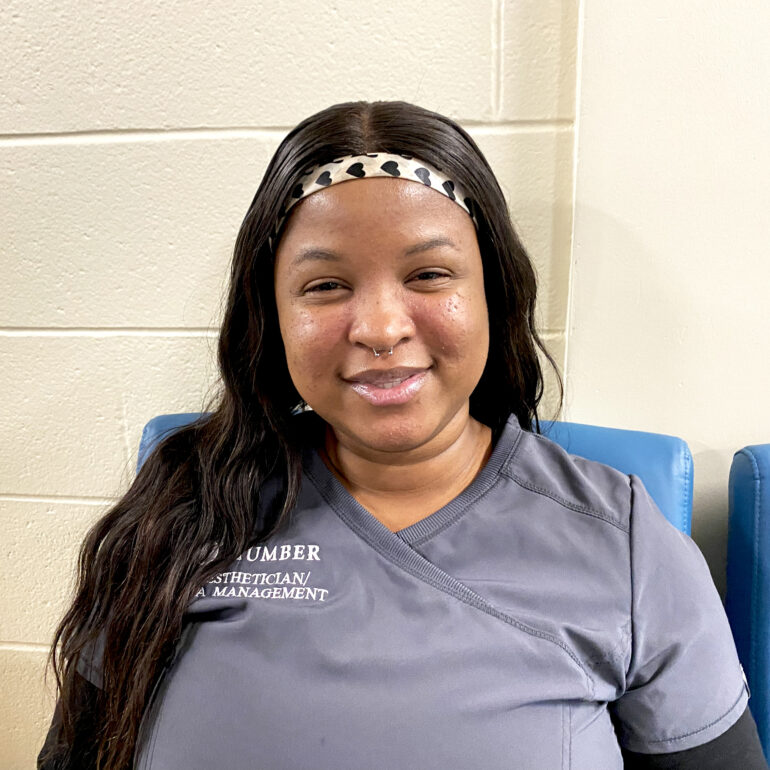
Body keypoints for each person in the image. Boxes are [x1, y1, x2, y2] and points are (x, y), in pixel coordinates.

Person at [38, 100, 766, 769]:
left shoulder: (628, 545)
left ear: (493, 295)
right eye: (325, 286)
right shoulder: (179, 510)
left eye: (428, 274)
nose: (382, 327)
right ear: (272, 316)